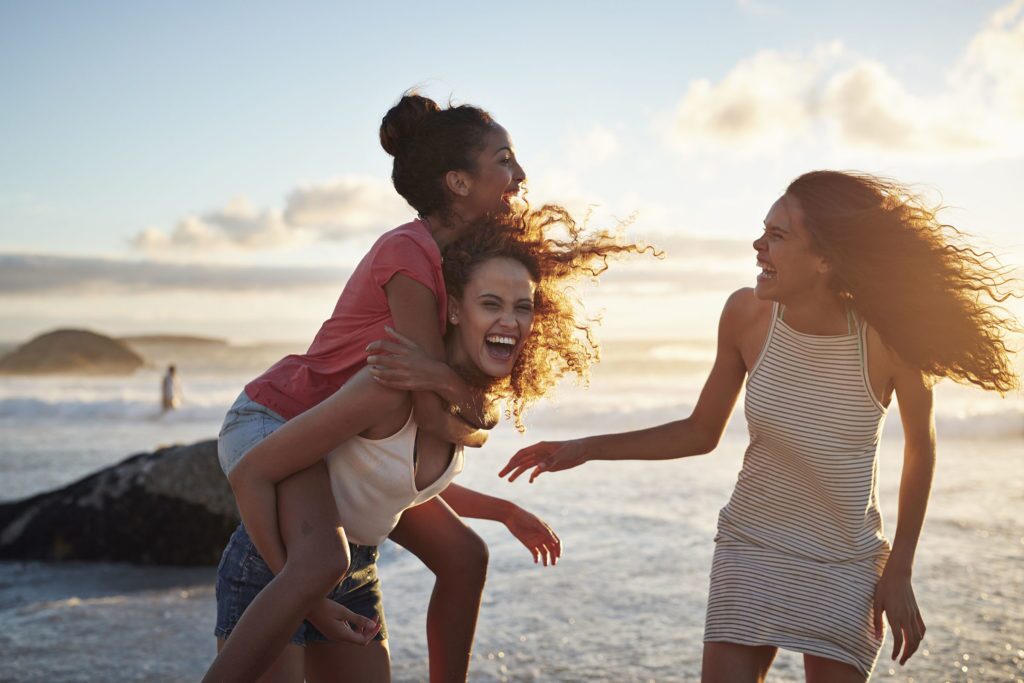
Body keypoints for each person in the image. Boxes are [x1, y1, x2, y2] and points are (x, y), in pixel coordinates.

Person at [500, 171, 1020, 683]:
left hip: (846, 557)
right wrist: (584, 447)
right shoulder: (746, 316)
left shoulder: (889, 340)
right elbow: (700, 432)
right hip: (751, 543)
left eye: (777, 236)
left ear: (825, 259)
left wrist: (899, 568)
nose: (757, 245)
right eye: (762, 230)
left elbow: (920, 451)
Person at [209, 207, 650, 682]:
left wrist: (503, 510)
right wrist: (309, 598)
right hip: (277, 569)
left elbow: (389, 483)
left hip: (355, 576)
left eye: (522, 307)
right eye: (491, 303)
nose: (511, 320)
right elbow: (253, 470)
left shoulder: (459, 403)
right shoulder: (390, 383)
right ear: (456, 308)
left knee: (469, 554)